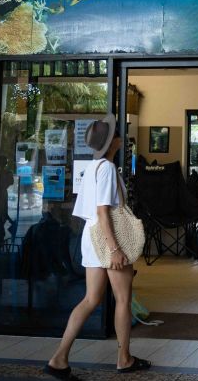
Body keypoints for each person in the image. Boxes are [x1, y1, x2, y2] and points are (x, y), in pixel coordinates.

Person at [44, 114, 150, 380]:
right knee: (122, 299)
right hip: (108, 238)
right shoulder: (108, 169)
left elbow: (89, 212)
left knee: (91, 299)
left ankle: (59, 358)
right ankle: (124, 359)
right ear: (112, 142)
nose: (121, 137)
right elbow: (104, 211)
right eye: (117, 135)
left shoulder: (92, 167)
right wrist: (114, 249)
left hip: (91, 238)